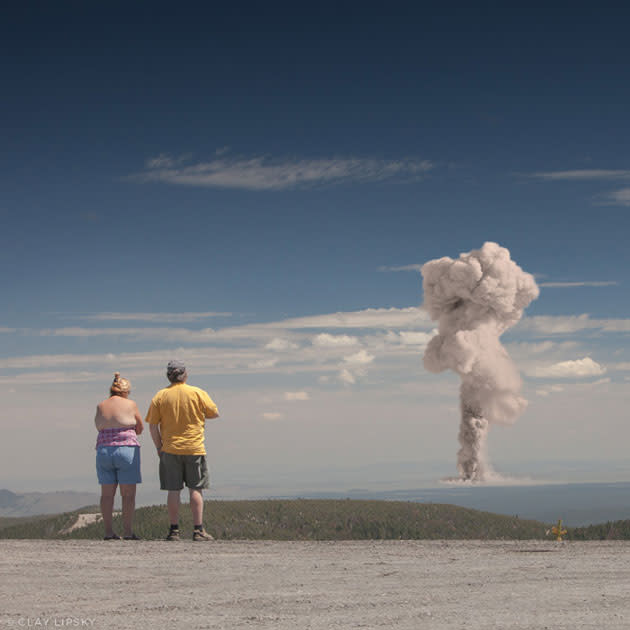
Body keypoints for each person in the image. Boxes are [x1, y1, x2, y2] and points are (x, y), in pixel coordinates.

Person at [145, 360, 219, 541]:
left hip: (170, 449)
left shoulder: (160, 396)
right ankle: (198, 530)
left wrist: (159, 447)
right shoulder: (197, 393)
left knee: (173, 490)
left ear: (168, 375)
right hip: (194, 448)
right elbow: (214, 413)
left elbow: (153, 426)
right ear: (185, 374)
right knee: (196, 489)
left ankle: (174, 530)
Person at [94, 372, 143, 540]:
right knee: (128, 495)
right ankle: (128, 532)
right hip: (127, 449)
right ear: (125, 391)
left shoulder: (101, 405)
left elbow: (98, 425)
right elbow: (140, 426)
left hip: (104, 450)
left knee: (107, 494)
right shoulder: (131, 404)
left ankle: (108, 532)